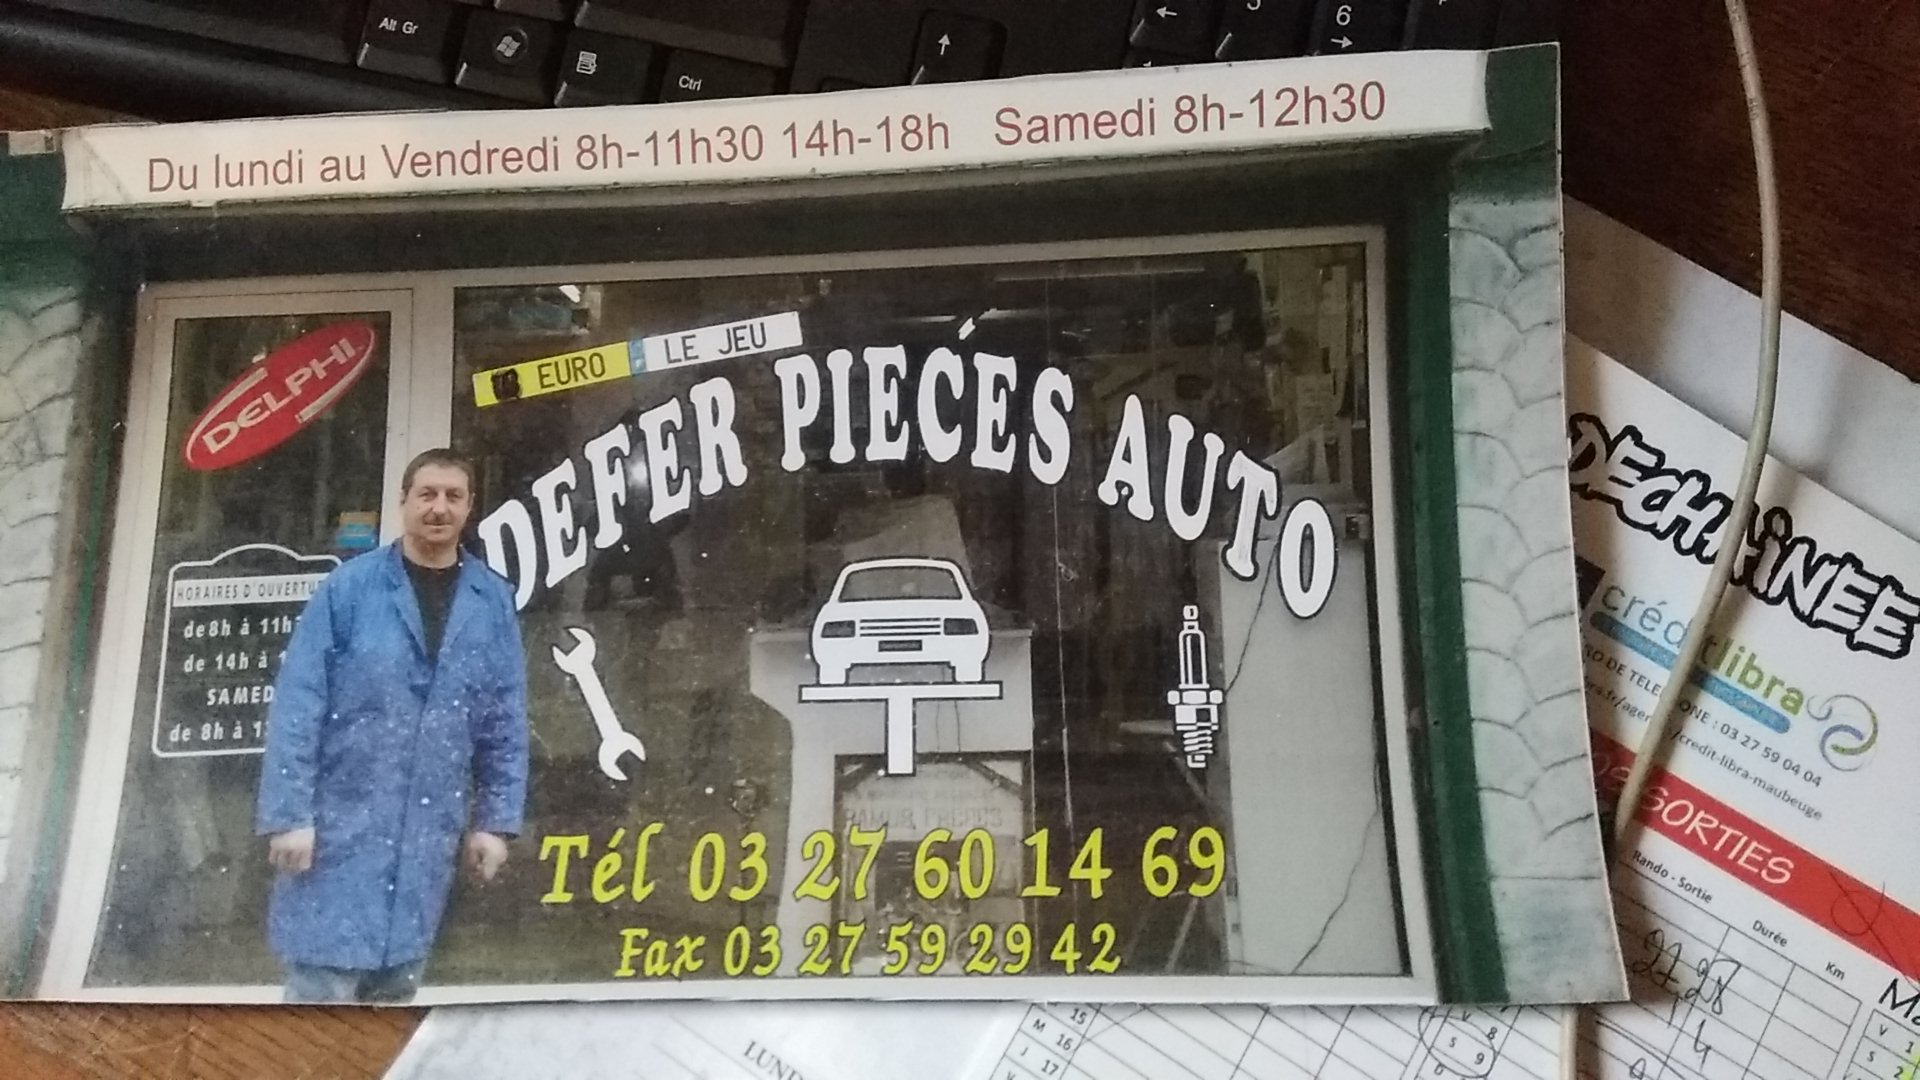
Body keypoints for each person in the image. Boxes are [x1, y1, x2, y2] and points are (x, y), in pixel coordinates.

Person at [255, 448, 529, 1004]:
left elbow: (504, 720)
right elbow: (299, 703)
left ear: (469, 507)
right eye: (426, 494)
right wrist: (290, 816)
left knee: (395, 996)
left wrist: (494, 823)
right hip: (338, 827)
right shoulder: (349, 589)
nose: (439, 508)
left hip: (427, 835)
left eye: (453, 496)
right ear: (403, 502)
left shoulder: (491, 601)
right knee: (320, 996)